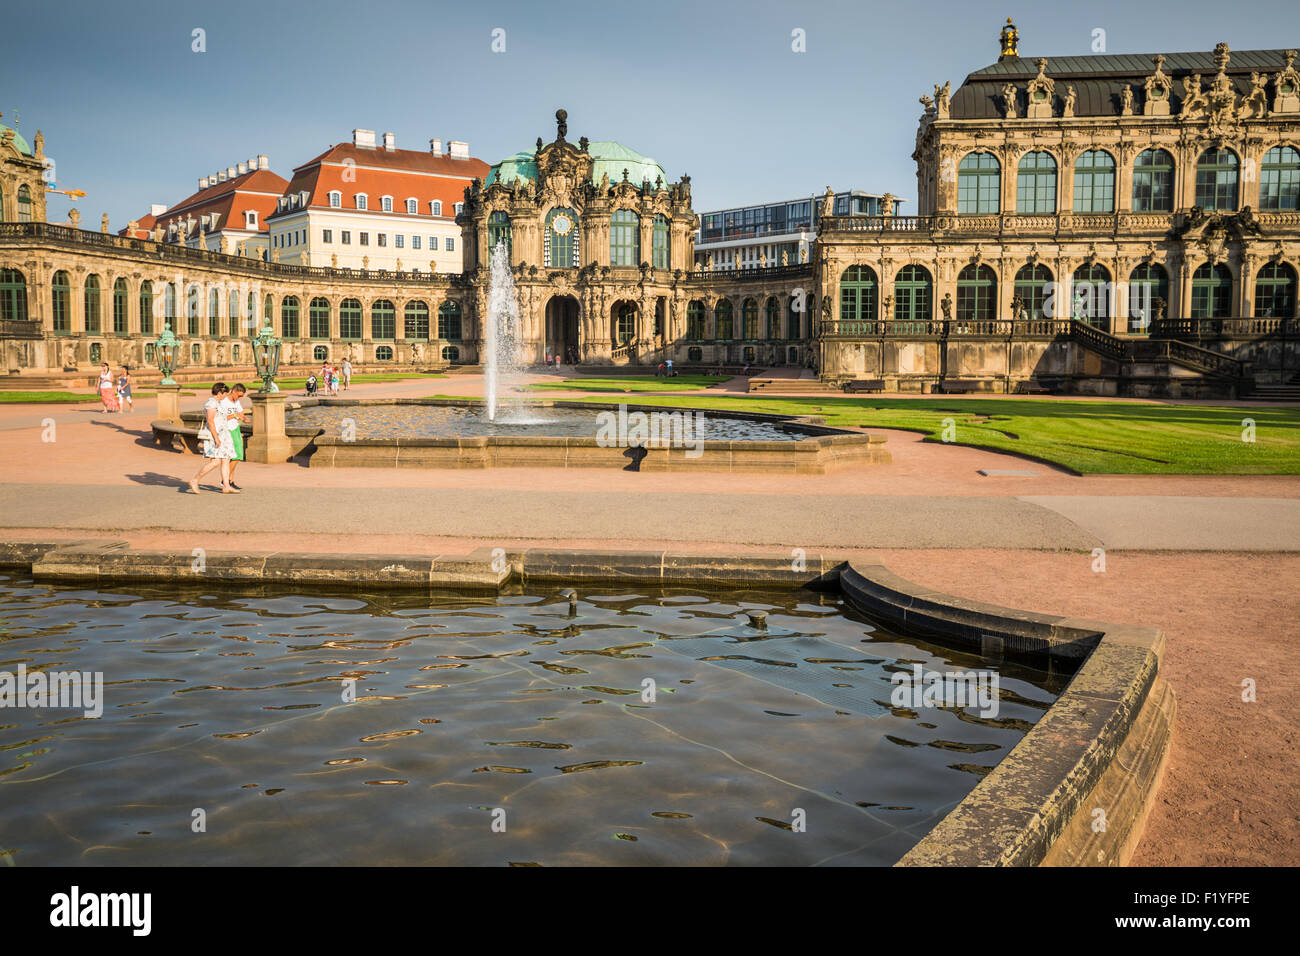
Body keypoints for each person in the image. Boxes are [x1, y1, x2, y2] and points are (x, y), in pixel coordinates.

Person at [187, 382, 239, 494]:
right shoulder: (211, 403)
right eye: (225, 393)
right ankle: (195, 480)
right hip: (215, 435)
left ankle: (226, 486)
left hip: (223, 434)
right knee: (216, 462)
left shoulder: (218, 403)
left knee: (226, 459)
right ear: (220, 393)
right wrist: (216, 438)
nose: (226, 395)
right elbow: (210, 421)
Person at [221, 384, 248, 489]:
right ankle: (226, 479)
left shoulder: (236, 402)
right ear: (234, 391)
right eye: (239, 395)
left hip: (235, 428)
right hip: (227, 430)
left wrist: (244, 418)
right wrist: (235, 415)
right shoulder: (224, 402)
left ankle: (229, 480)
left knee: (238, 455)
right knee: (235, 455)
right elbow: (221, 417)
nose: (240, 398)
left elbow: (241, 413)